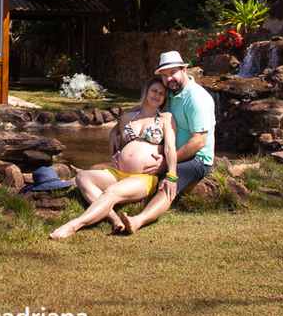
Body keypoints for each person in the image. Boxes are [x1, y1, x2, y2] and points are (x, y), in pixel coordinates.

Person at [48, 77, 177, 239]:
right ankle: (113, 218)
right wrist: (117, 155)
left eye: (162, 94)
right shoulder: (128, 117)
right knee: (82, 177)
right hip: (117, 173)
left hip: (143, 177)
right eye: (154, 91)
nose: (157, 95)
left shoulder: (166, 118)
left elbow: (170, 148)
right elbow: (122, 145)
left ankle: (74, 225)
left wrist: (171, 174)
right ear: (146, 92)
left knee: (110, 192)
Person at [118, 50, 214, 234]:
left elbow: (199, 142)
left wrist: (167, 164)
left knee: (167, 183)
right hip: (171, 154)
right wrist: (115, 131)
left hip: (196, 159)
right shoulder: (170, 92)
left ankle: (138, 220)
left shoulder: (197, 99)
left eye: (172, 73)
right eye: (164, 75)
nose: (169, 78)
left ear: (185, 70)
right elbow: (143, 106)